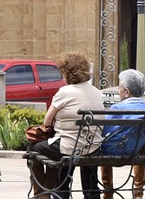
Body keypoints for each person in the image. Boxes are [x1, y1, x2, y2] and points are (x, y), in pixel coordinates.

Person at [27, 51, 103, 199]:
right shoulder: (96, 92)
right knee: (76, 151)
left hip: (68, 147)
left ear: (67, 72)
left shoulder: (65, 92)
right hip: (93, 147)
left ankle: (45, 192)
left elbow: (47, 122)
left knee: (33, 148)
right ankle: (91, 193)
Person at [100, 69, 145, 199]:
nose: (118, 90)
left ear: (127, 92)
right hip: (136, 150)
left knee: (101, 147)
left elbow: (105, 133)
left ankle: (108, 192)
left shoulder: (117, 108)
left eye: (120, 88)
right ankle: (138, 193)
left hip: (114, 151)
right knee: (139, 145)